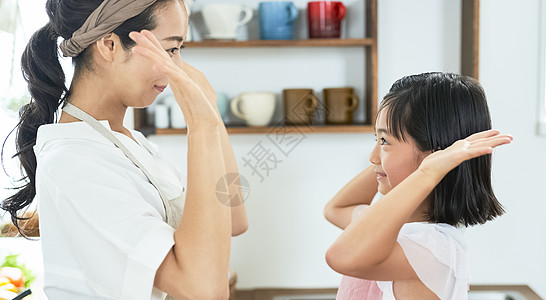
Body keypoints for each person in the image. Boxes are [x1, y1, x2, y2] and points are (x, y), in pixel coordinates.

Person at [1, 0, 248, 299]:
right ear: (109, 45)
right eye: (170, 49)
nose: (176, 68)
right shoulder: (75, 161)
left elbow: (234, 217)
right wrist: (201, 126)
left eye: (178, 50)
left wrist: (209, 110)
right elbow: (203, 289)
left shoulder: (131, 144)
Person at [324, 72, 513, 299]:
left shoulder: (434, 247)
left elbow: (342, 257)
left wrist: (427, 171)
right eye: (375, 139)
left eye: (384, 141)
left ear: (434, 157)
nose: (372, 156)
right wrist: (387, 162)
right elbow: (336, 209)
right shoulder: (393, 230)